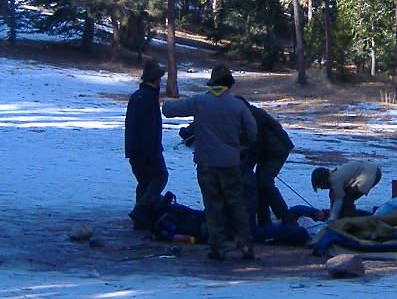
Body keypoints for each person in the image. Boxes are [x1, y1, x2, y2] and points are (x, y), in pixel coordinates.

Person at [162, 64, 257, 261]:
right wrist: (240, 144)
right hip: (230, 162)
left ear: (212, 83)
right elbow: (252, 132)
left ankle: (217, 247)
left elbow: (168, 110)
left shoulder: (200, 102)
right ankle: (246, 244)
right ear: (229, 84)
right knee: (236, 203)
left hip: (206, 164)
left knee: (213, 205)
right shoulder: (237, 105)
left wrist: (166, 98)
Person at [125, 60, 170, 231]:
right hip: (148, 150)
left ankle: (141, 220)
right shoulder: (149, 98)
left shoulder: (137, 96)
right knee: (160, 177)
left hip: (133, 149)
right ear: (156, 79)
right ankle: (140, 210)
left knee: (144, 182)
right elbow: (149, 128)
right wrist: (153, 149)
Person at [238, 97, 294, 227]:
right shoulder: (246, 116)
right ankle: (264, 220)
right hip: (267, 151)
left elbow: (255, 143)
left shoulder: (253, 116)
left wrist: (247, 163)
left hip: (277, 150)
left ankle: (286, 218)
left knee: (264, 183)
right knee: (259, 184)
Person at [311, 159, 382, 221]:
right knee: (344, 202)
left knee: (347, 200)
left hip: (371, 172)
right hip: (367, 171)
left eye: (320, 186)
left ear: (323, 180)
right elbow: (334, 200)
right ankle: (353, 219)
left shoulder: (335, 179)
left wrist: (333, 219)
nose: (321, 188)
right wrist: (331, 216)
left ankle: (357, 223)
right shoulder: (334, 181)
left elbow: (338, 200)